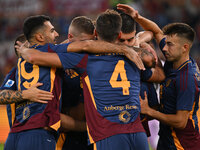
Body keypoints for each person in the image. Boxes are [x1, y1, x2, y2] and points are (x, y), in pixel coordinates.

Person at [17, 10, 149, 150]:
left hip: (106, 133)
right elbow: (155, 64)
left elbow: (34, 57)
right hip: (136, 131)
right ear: (120, 34)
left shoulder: (84, 59)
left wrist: (24, 50)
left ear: (96, 34)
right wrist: (133, 45)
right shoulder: (137, 56)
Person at [117, 4, 200, 150]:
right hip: (167, 139)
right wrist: (138, 17)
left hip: (183, 144)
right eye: (165, 43)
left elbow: (181, 122)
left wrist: (149, 111)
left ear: (185, 47)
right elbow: (156, 31)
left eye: (169, 44)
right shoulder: (175, 59)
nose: (164, 48)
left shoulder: (186, 79)